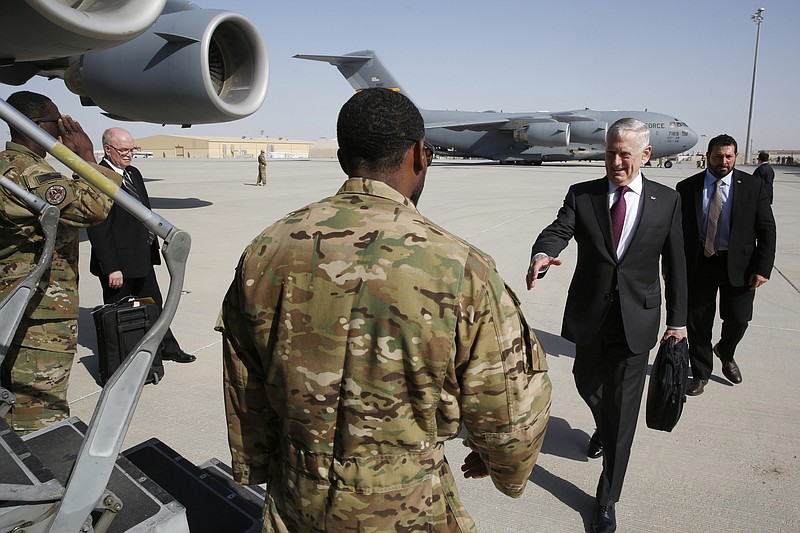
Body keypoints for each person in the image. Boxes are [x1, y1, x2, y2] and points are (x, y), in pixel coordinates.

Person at [217, 88, 551, 532]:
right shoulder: (459, 267)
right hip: (408, 508)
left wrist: (258, 465)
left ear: (342, 158)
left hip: (297, 501)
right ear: (419, 154)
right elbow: (510, 408)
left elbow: (245, 382)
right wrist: (504, 465)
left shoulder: (266, 251)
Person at [525, 117, 686, 533]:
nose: (615, 161)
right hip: (592, 316)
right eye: (610, 152)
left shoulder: (666, 201)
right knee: (586, 380)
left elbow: (676, 266)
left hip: (638, 318)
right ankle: (603, 422)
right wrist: (543, 253)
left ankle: (607, 497)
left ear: (645, 155)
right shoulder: (584, 195)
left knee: (624, 412)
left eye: (624, 154)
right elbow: (559, 228)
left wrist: (679, 322)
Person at [0, 91, 122, 434]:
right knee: (38, 411)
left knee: (11, 397)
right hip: (39, 313)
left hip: (15, 302)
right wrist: (83, 155)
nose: (63, 127)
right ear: (37, 126)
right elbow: (91, 208)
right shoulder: (29, 172)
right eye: (58, 121)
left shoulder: (7, 164)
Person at [676, 135, 776, 396]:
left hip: (740, 266)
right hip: (700, 263)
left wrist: (763, 268)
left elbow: (767, 229)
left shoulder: (752, 186)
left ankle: (726, 350)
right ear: (707, 156)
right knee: (698, 322)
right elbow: (676, 232)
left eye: (729, 156)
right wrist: (671, 266)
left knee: (739, 319)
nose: (724, 161)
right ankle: (700, 373)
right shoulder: (687, 188)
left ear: (736, 156)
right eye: (718, 156)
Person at [87, 127, 195, 364]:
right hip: (118, 264)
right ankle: (121, 356)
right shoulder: (99, 176)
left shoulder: (133, 173)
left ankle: (167, 347)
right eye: (123, 150)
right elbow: (98, 227)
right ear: (108, 149)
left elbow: (144, 212)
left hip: (142, 256)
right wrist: (112, 267)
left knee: (155, 306)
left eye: (131, 149)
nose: (129, 154)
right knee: (118, 313)